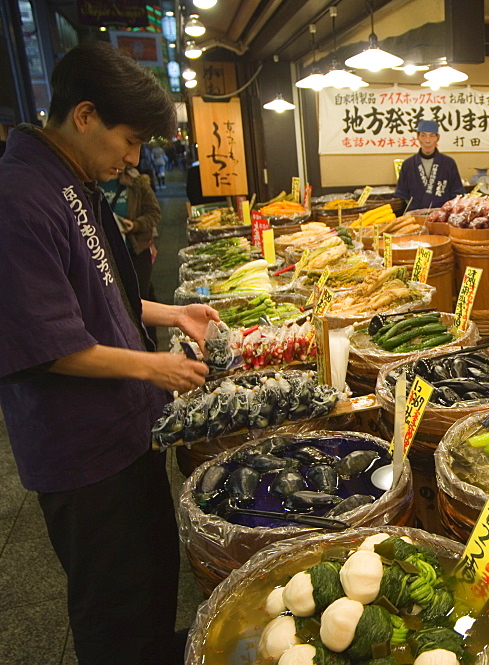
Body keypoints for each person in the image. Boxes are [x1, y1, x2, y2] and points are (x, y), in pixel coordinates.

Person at [0, 41, 218, 665]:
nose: (133, 157)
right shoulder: (20, 196)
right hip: (82, 450)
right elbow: (47, 344)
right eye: (130, 139)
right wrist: (156, 366)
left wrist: (169, 313)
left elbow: (96, 299)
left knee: (148, 578)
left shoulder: (69, 177)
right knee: (111, 603)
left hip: (125, 427)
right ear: (85, 115)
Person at [101, 165, 160, 301]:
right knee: (113, 299)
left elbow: (154, 213)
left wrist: (135, 225)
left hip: (135, 250)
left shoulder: (137, 182)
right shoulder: (86, 186)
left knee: (138, 297)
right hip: (104, 254)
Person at [394, 120, 465, 211]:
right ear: (418, 137)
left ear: (437, 137)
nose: (427, 140)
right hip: (414, 216)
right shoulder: (408, 164)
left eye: (432, 136)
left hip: (441, 216)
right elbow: (401, 195)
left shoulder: (448, 163)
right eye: (423, 136)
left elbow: (457, 193)